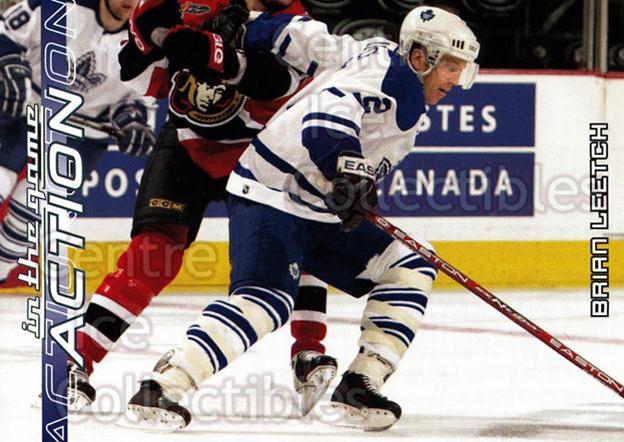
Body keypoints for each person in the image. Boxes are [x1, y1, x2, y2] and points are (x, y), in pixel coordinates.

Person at [126, 5, 479, 432]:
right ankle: (164, 384)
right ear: (421, 57)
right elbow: (324, 119)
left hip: (316, 207)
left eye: (462, 69)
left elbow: (304, 37)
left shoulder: (371, 54)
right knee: (266, 301)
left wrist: (252, 27)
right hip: (272, 194)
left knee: (409, 265)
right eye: (451, 67)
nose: (456, 80)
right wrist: (346, 168)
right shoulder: (387, 78)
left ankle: (359, 384)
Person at [71, 0, 335, 414]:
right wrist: (150, 38)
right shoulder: (194, 3)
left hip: (259, 154)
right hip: (188, 144)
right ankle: (76, 359)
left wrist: (215, 53)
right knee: (152, 254)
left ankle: (308, 351)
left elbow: (276, 84)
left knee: (298, 239)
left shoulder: (299, 27)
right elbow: (142, 78)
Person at [0, 0, 155, 286]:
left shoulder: (145, 41)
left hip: (82, 136)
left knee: (32, 210)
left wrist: (132, 124)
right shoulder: (57, 7)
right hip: (27, 110)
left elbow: (134, 99)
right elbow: (7, 33)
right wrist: (10, 66)